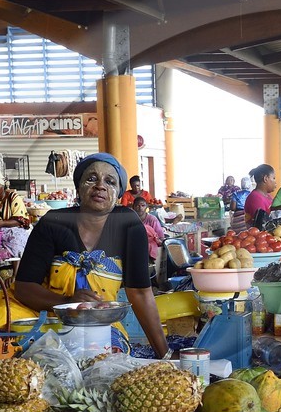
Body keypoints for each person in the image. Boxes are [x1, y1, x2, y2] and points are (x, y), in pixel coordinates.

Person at [9, 153, 170, 358]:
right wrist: (67, 302)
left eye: (110, 181)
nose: (100, 186)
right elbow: (24, 288)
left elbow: (140, 293)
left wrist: (164, 356)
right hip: (49, 319)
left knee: (104, 358)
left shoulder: (128, 225)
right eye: (92, 178)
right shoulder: (53, 222)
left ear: (119, 195)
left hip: (102, 326)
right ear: (79, 188)